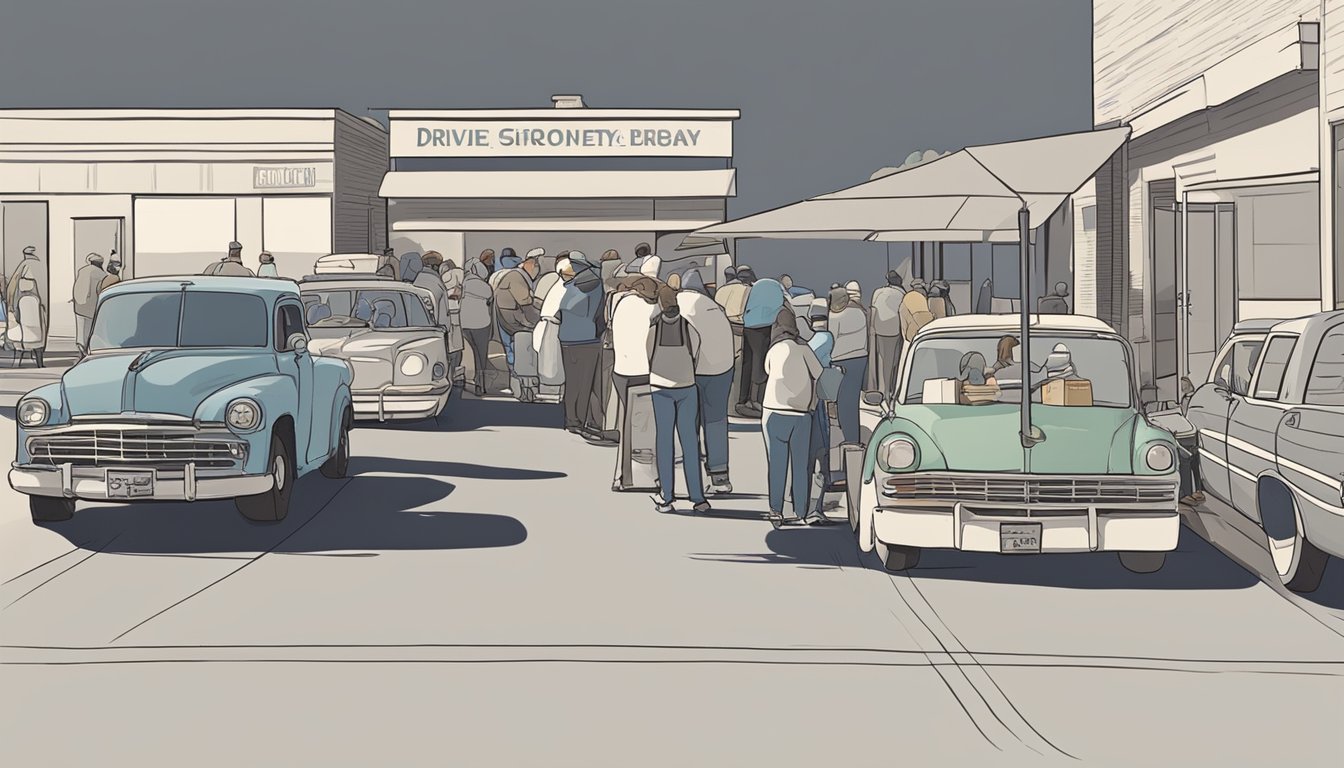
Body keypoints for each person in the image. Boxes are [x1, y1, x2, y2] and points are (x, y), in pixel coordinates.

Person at [647, 285, 711, 514]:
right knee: (690, 442)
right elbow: (696, 350)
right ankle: (698, 498)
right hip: (686, 387)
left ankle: (667, 496)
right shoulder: (688, 326)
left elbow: (648, 353)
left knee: (664, 442)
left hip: (660, 387)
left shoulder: (654, 327)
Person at [761, 318, 823, 527]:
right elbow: (820, 373)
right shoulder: (804, 349)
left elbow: (768, 369)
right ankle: (800, 512)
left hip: (773, 412)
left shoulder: (773, 350)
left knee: (777, 465)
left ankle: (776, 510)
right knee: (800, 465)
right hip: (801, 414)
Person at [678, 274, 735, 495]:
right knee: (716, 421)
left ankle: (691, 480)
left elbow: (686, 340)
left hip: (697, 371)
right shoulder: (714, 305)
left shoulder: (683, 303)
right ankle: (721, 477)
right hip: (724, 368)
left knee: (689, 423)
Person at [610, 276, 661, 490]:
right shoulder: (652, 310)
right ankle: (644, 477)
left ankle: (621, 476)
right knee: (645, 427)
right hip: (642, 372)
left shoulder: (621, 302)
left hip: (621, 370)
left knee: (627, 424)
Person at [554, 250, 606, 437]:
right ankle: (581, 422)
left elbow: (559, 313)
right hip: (588, 339)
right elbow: (600, 315)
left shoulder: (570, 287)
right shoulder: (596, 285)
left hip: (566, 338)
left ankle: (571, 420)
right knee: (586, 383)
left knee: (573, 382)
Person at [807, 299, 841, 515]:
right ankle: (819, 503)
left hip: (812, 397)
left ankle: (812, 505)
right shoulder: (828, 338)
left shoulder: (811, 342)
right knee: (824, 447)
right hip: (824, 396)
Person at [738, 267, 786, 416]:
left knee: (748, 362)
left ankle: (742, 399)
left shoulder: (757, 287)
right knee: (761, 362)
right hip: (764, 326)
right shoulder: (774, 287)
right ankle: (757, 400)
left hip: (748, 325)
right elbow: (781, 305)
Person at [827, 286, 869, 445]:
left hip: (841, 361)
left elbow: (831, 339)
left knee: (843, 402)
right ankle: (854, 437)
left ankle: (849, 439)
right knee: (853, 402)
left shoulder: (835, 317)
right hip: (860, 358)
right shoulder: (858, 312)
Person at [462, 253, 496, 396]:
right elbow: (489, 297)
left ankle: (470, 381)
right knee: (481, 356)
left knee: (470, 353)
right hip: (481, 324)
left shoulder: (463, 283)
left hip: (464, 323)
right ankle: (480, 385)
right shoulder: (483, 286)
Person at [870, 270, 906, 396]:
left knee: (882, 359)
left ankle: (882, 389)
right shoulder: (901, 294)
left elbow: (873, 309)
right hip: (894, 330)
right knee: (892, 361)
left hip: (879, 329)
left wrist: (872, 327)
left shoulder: (878, 292)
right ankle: (888, 391)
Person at [6, 273, 47, 367]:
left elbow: (16, 318)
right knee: (39, 346)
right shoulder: (37, 301)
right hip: (37, 337)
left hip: (22, 336)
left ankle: (16, 363)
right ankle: (39, 364)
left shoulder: (19, 301)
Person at [71, 253, 106, 355]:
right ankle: (87, 351)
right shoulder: (101, 274)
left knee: (81, 330)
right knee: (90, 330)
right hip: (92, 307)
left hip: (79, 306)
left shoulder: (82, 271)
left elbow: (77, 287)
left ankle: (80, 347)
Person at [440, 257, 466, 386]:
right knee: (457, 346)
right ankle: (457, 374)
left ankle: (450, 374)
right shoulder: (460, 274)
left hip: (447, 311)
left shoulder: (445, 277)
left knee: (450, 345)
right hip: (457, 312)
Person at [6, 246, 44, 312]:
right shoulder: (40, 265)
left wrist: (10, 304)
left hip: (22, 299)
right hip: (35, 300)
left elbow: (12, 285)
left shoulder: (23, 265)